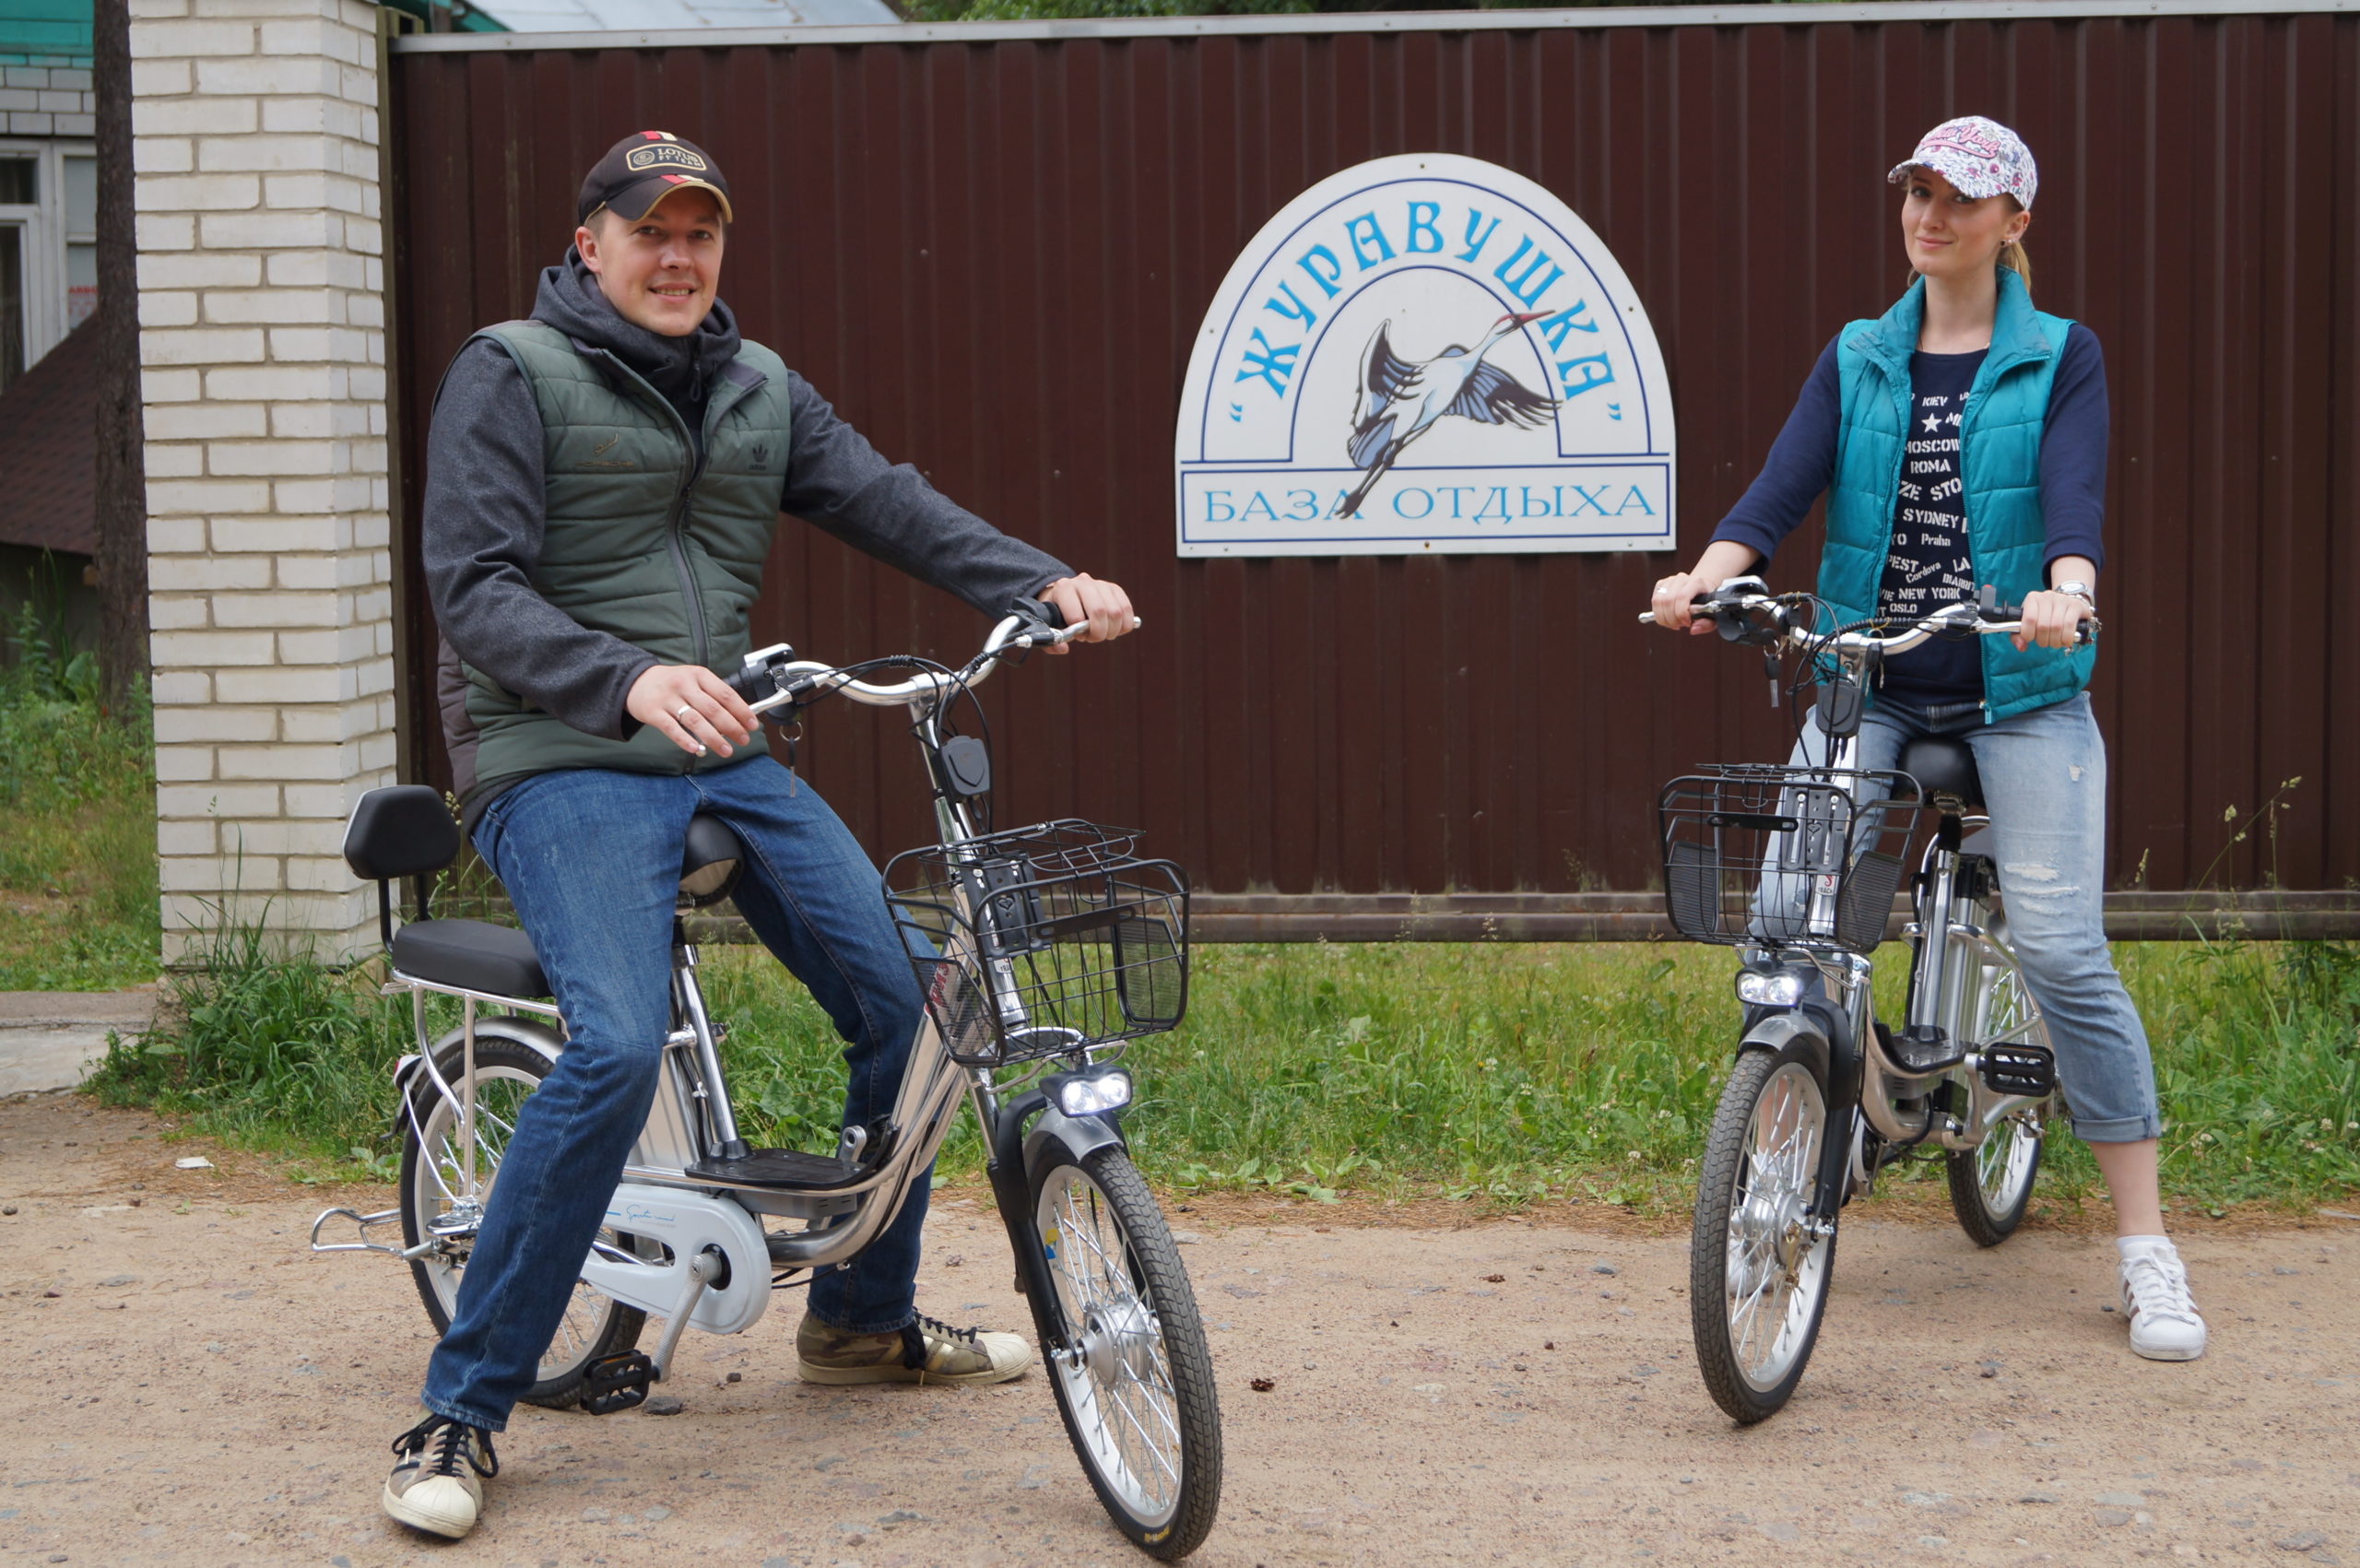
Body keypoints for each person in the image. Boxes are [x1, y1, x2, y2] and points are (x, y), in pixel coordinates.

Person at [381, 130, 1139, 1540]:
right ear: (588, 244)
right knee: (611, 1043)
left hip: (723, 742)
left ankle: (858, 1319)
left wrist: (1040, 579)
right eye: (649, 232)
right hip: (559, 751)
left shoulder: (755, 387)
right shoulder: (509, 371)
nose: (677, 259)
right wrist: (622, 678)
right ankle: (463, 1405)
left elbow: (888, 501)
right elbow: (471, 586)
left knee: (919, 999)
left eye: (700, 234)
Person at [1647, 116, 2205, 1365]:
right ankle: (1815, 1123)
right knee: (1785, 917)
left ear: (2014, 222)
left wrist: (2067, 588)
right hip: (1873, 674)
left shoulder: (2062, 356)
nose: (1929, 214)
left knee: (2062, 951)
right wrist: (1709, 572)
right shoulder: (1860, 355)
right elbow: (1780, 489)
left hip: (2020, 682)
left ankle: (2145, 1246)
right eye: (1915, 190)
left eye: (1960, 197)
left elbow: (2073, 496)